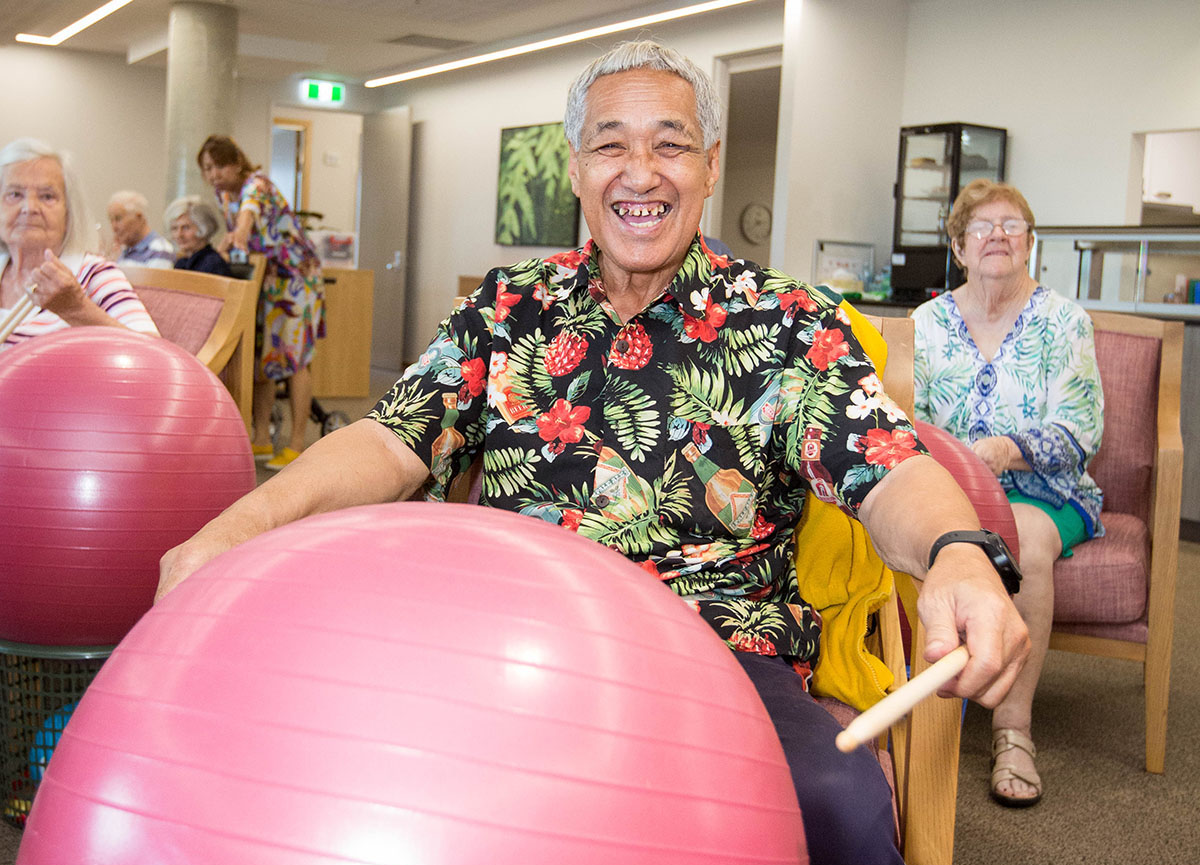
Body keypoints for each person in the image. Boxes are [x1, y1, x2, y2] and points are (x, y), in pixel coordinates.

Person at [161, 43, 1030, 864]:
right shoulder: (508, 308)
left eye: (672, 145)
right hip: (508, 650)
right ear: (576, 168)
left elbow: (888, 467)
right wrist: (236, 531)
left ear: (711, 164)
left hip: (715, 656)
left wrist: (960, 551)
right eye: (610, 145)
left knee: (836, 803)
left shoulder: (789, 320)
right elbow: (388, 439)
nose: (641, 173)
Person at [913, 178, 1104, 808]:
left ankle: (1013, 729)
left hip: (1044, 489)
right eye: (982, 226)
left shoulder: (1062, 320)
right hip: (948, 484)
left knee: (1023, 539)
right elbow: (901, 414)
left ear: (1029, 245)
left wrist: (999, 452)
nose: (998, 234)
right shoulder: (927, 322)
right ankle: (920, 710)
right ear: (960, 247)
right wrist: (950, 469)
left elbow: (1081, 427)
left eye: (1012, 226)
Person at [196, 134, 325, 471]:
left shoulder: (258, 184)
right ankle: (262, 438)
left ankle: (297, 445)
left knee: (295, 361)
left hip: (296, 278)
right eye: (207, 168)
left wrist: (239, 233)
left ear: (236, 163)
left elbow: (249, 215)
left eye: (219, 165)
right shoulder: (223, 195)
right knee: (262, 359)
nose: (213, 173)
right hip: (264, 279)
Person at [0, 138, 159, 352]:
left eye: (47, 196)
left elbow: (154, 358)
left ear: (69, 212)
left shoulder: (93, 274)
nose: (29, 208)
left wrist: (75, 308)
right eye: (14, 194)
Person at [165, 195, 232, 276]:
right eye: (174, 228)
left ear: (204, 228)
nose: (179, 235)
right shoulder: (181, 264)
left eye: (186, 228)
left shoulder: (213, 265)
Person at [108, 190, 176, 269]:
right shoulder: (124, 250)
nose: (114, 227)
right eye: (111, 220)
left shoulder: (160, 250)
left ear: (139, 217)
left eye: (118, 219)